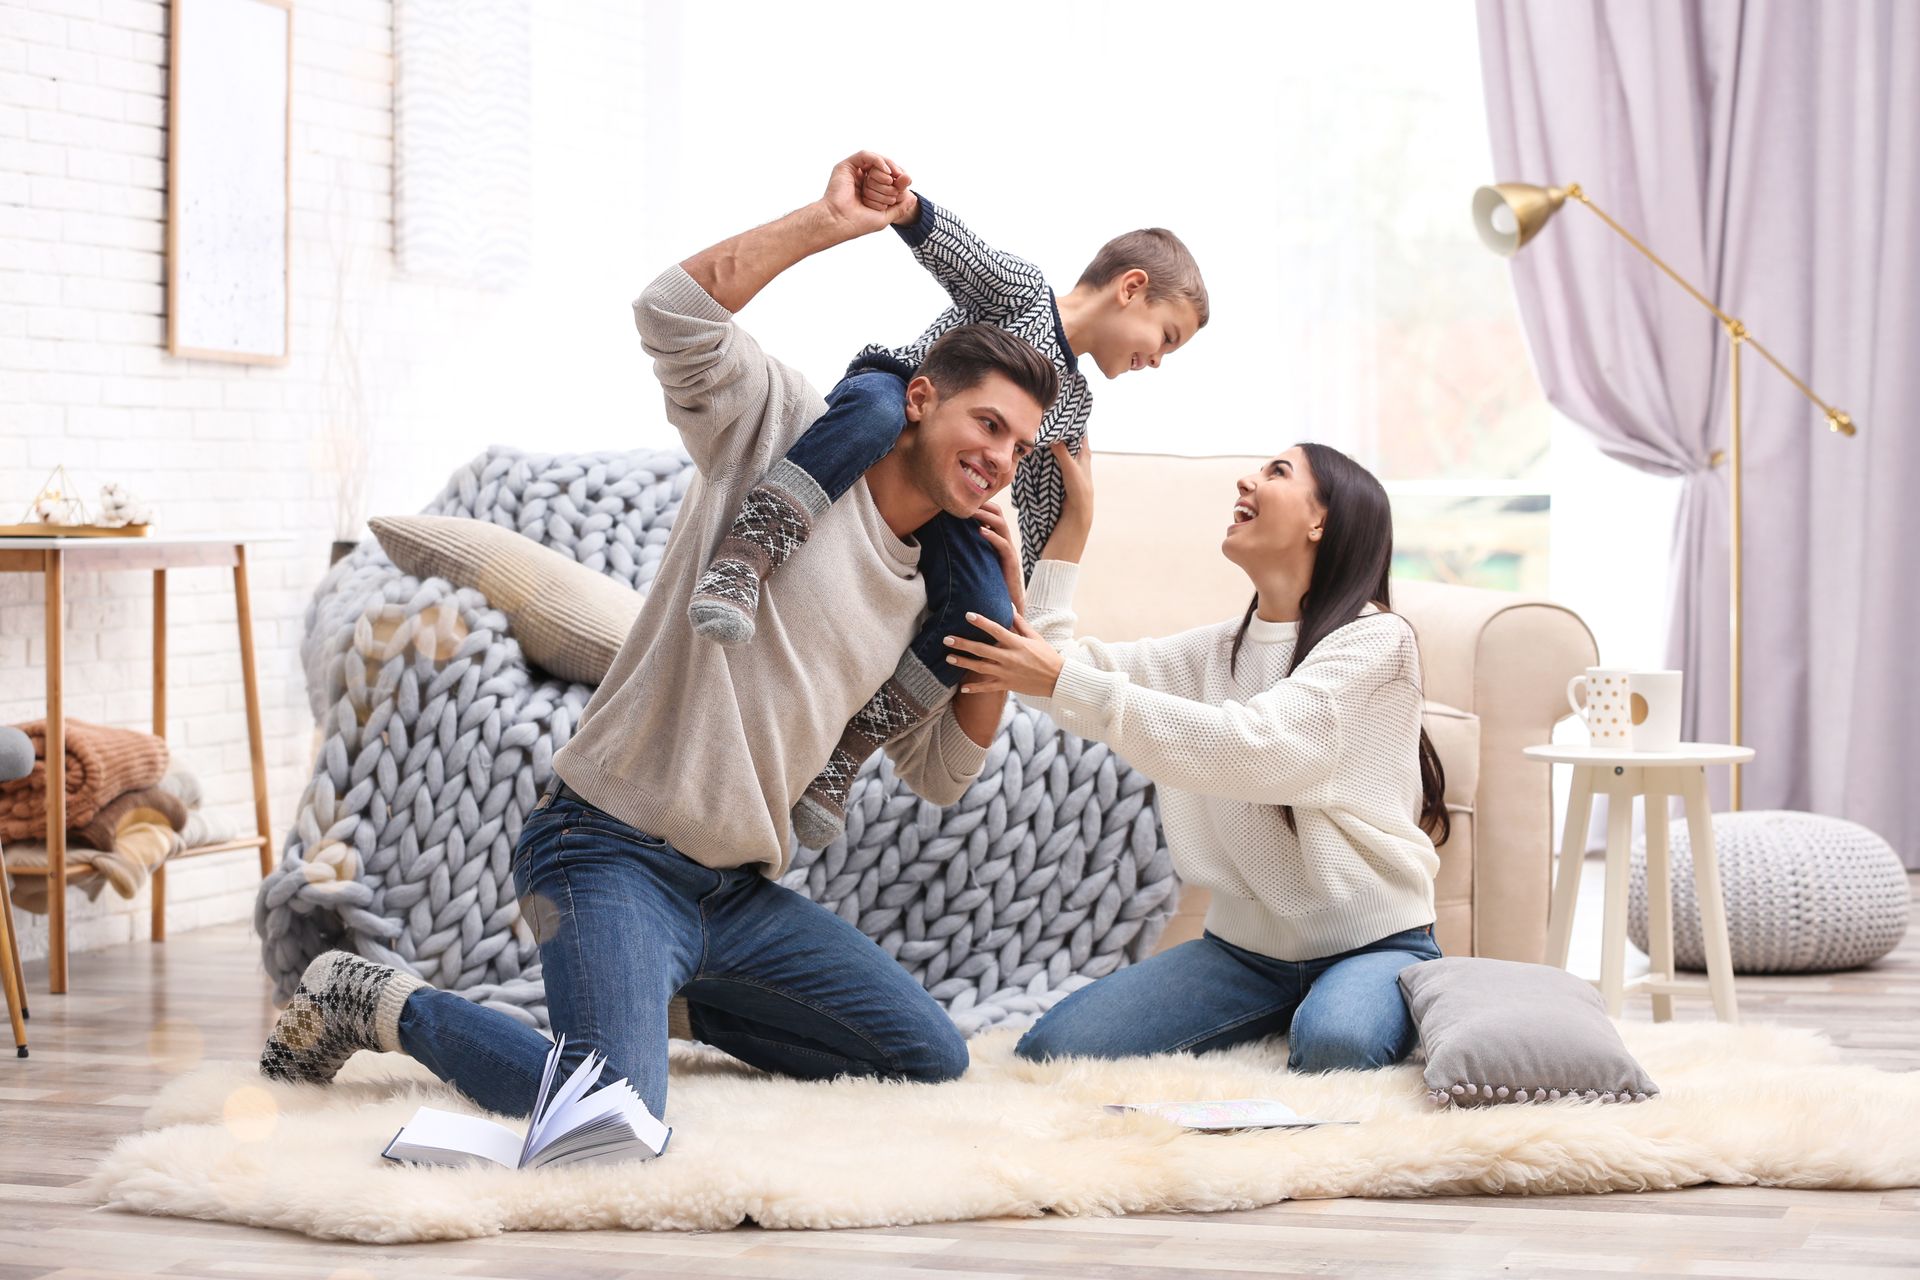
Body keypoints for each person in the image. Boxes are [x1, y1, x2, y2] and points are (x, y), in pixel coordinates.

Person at [258, 152, 1056, 1125]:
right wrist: (824, 222)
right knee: (610, 1115)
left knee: (926, 1053)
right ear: (922, 399)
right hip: (605, 849)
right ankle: (378, 998)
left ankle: (661, 994)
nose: (1001, 460)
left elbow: (942, 772)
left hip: (735, 895)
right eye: (989, 423)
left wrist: (1003, 612)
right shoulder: (784, 428)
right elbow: (671, 312)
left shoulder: (941, 582)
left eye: (1019, 446)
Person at [686, 156, 1210, 849]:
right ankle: (743, 558)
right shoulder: (1023, 295)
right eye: (1165, 338)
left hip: (950, 498)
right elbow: (968, 259)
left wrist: (1073, 527)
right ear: (1132, 288)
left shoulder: (1071, 409)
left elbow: (1044, 517)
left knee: (987, 615)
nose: (1158, 362)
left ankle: (846, 754)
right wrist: (903, 208)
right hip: (897, 401)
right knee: (876, 414)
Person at [945, 441, 1451, 1071]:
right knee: (1055, 1050)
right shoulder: (1214, 652)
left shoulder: (1379, 640)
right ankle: (1288, 1012)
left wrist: (1062, 681)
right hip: (1242, 956)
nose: (1247, 478)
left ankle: (1368, 996)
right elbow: (1055, 679)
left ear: (1321, 521)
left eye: (1277, 472)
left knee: (1336, 1045)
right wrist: (1071, 532)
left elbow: (1261, 748)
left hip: (1371, 943)